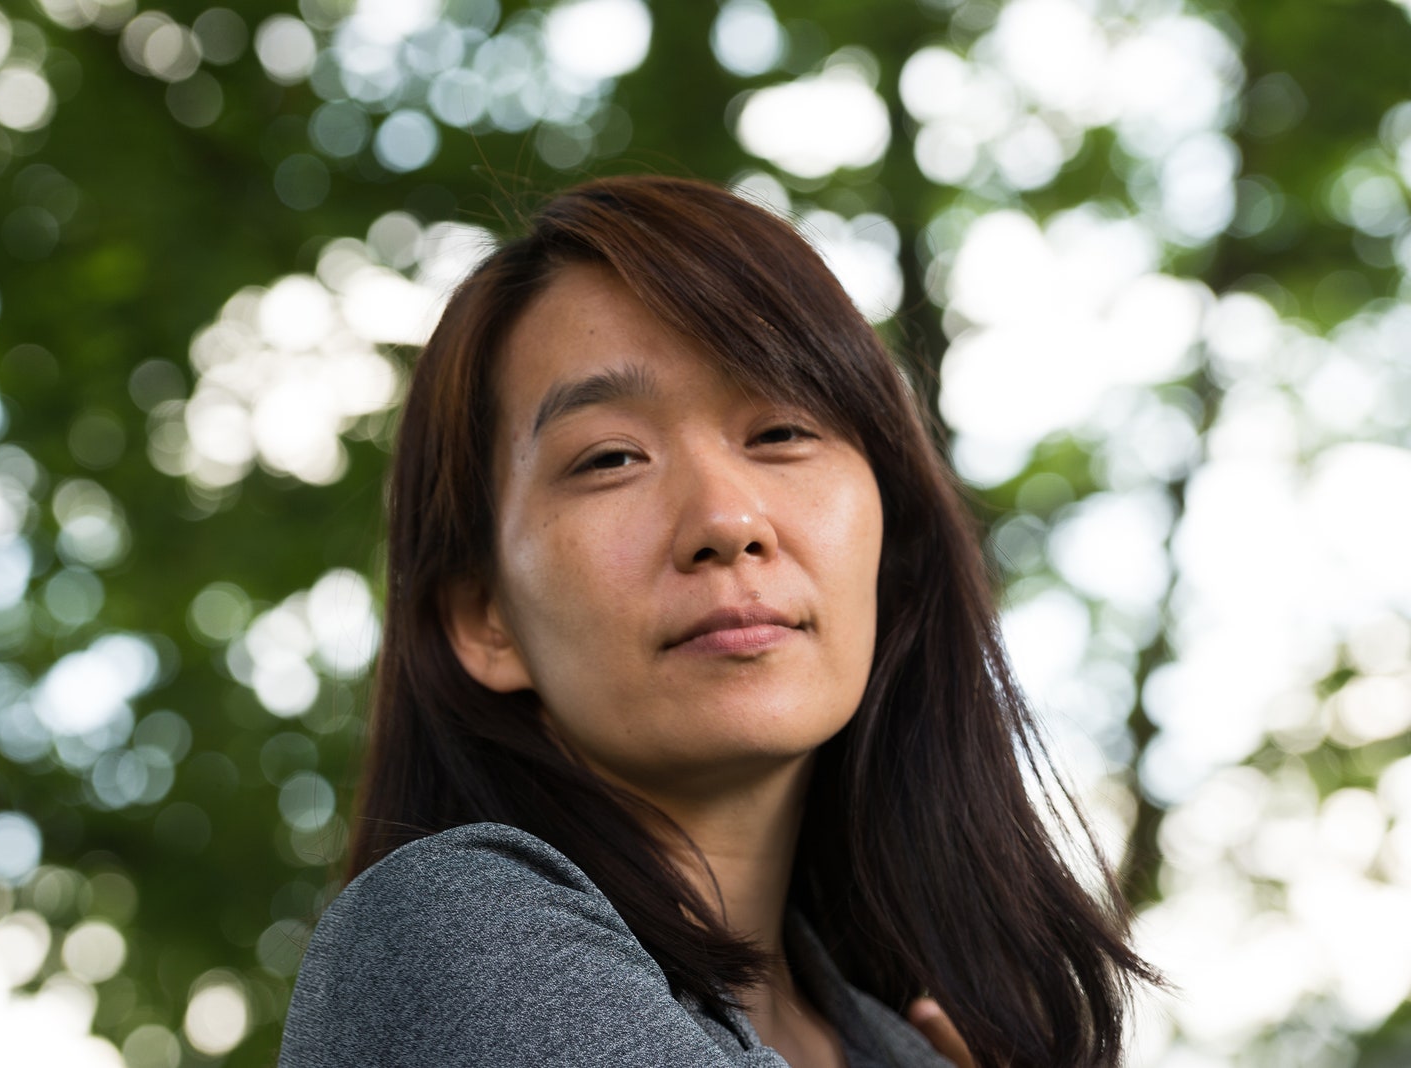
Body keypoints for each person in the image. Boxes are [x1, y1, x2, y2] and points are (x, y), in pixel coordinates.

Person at [278, 176, 1158, 1067]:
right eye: (611, 457)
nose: (727, 521)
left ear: (886, 554)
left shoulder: (907, 1050)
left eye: (781, 432)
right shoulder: (451, 932)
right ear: (486, 619)